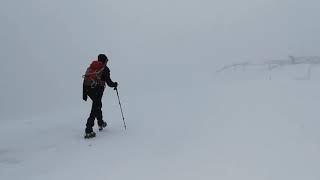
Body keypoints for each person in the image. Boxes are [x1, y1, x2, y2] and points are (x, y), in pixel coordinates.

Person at [82, 54, 118, 138]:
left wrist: (84, 94)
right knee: (95, 107)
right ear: (105, 61)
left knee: (97, 104)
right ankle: (88, 129)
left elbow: (86, 79)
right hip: (96, 90)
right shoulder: (104, 69)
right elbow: (109, 82)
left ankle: (100, 122)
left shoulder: (91, 67)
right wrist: (115, 84)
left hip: (88, 89)